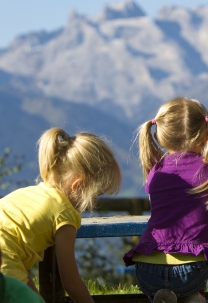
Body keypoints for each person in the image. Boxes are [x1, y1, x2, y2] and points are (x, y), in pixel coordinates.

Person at [123, 97, 208, 303]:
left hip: (147, 267)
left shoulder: (156, 171)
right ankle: (193, 297)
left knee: (164, 293)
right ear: (206, 136)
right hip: (191, 267)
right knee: (191, 290)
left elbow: (157, 200)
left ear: (160, 137)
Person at [0, 127, 122, 303]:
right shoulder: (65, 215)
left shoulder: (33, 192)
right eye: (96, 195)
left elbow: (13, 242)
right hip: (5, 259)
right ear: (78, 186)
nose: (94, 203)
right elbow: (71, 283)